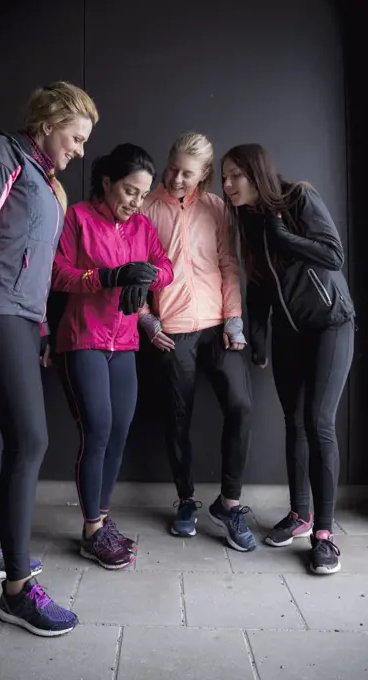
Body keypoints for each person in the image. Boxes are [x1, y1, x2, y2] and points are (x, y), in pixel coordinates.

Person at [0, 81, 98, 635]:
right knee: (31, 439)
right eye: (76, 137)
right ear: (49, 121)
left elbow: (34, 263)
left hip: (19, 315)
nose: (80, 150)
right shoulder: (2, 153)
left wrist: (39, 329)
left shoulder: (43, 177)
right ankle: (16, 591)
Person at [221, 143, 355, 575]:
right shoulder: (248, 220)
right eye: (223, 178)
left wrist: (285, 237)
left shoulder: (298, 197)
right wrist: (258, 338)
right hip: (289, 333)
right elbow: (259, 286)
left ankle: (326, 536)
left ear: (255, 172)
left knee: (318, 422)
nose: (226, 186)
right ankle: (301, 516)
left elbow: (333, 254)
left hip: (330, 324)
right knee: (294, 422)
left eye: (233, 176)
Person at [51, 143, 174, 569]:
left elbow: (166, 265)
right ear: (107, 183)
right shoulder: (78, 218)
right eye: (128, 191)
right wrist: (105, 276)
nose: (136, 202)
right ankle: (91, 531)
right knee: (98, 429)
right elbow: (57, 271)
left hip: (124, 342)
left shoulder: (142, 226)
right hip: (82, 337)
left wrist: (148, 276)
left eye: (142, 194)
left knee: (120, 430)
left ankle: (102, 520)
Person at [138, 132, 256, 552]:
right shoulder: (146, 206)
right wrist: (146, 319)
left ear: (204, 174)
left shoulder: (217, 208)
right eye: (172, 168)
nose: (176, 178)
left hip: (219, 326)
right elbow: (130, 269)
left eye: (187, 173)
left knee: (241, 406)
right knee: (178, 416)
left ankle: (229, 503)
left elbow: (229, 265)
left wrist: (235, 319)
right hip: (174, 328)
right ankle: (186, 500)